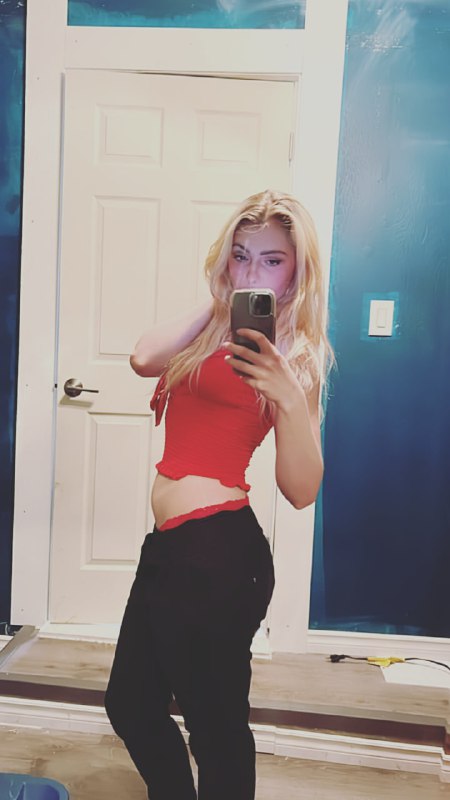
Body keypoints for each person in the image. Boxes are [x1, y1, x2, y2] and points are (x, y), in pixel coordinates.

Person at [104, 189, 332, 800]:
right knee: (130, 703)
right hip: (170, 548)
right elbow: (143, 357)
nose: (253, 272)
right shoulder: (211, 329)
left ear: (297, 271)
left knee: (217, 729)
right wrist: (220, 301)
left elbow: (302, 490)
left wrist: (289, 399)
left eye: (272, 260)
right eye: (241, 255)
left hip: (219, 556)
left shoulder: (296, 356)